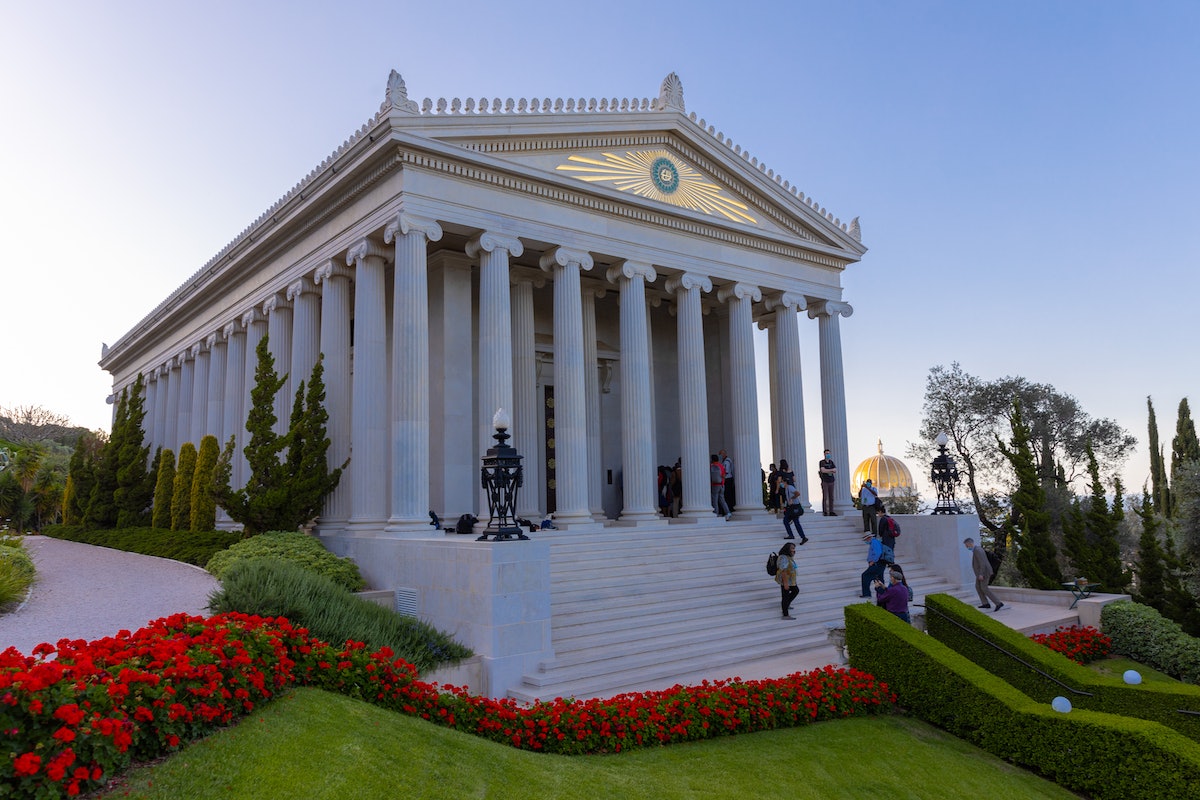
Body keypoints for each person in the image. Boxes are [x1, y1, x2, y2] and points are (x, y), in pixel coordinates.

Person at [964, 538, 1004, 611]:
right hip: (980, 573)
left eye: (966, 545)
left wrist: (981, 574)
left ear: (970, 543)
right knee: (978, 587)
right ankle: (985, 603)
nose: (966, 547)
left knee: (984, 588)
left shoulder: (978, 551)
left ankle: (998, 603)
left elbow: (983, 563)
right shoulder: (976, 549)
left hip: (984, 572)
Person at [776, 541, 799, 620]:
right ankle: (785, 614)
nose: (793, 550)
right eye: (792, 548)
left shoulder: (788, 556)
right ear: (787, 549)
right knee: (785, 596)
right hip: (786, 580)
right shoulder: (783, 557)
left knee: (795, 591)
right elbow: (783, 571)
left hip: (790, 580)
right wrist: (785, 583)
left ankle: (786, 604)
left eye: (794, 548)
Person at [859, 532, 886, 597]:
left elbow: (878, 553)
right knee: (879, 579)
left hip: (876, 564)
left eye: (866, 540)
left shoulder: (874, 542)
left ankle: (866, 594)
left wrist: (873, 562)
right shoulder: (876, 542)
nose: (866, 541)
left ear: (868, 538)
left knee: (865, 576)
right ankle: (883, 593)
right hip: (880, 564)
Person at [782, 478, 808, 544]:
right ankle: (798, 536)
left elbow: (797, 493)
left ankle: (801, 537)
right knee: (787, 521)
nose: (781, 484)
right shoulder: (786, 489)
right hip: (791, 508)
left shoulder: (790, 487)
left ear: (785, 482)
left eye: (782, 482)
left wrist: (791, 499)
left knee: (793, 522)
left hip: (794, 507)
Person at [710, 453, 731, 520]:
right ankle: (728, 512)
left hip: (714, 485)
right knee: (722, 500)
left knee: (715, 500)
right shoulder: (721, 465)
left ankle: (716, 513)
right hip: (722, 485)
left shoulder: (711, 466)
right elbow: (724, 475)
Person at [817, 448, 838, 516]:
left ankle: (831, 511)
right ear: (824, 454)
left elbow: (835, 470)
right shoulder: (822, 462)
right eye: (826, 453)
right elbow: (822, 470)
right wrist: (830, 470)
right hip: (825, 481)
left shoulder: (831, 462)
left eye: (828, 453)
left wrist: (828, 470)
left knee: (831, 497)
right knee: (825, 496)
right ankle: (825, 511)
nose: (828, 455)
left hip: (831, 480)